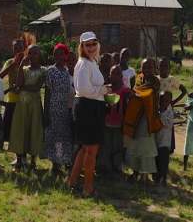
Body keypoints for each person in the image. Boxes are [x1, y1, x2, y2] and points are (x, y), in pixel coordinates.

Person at [67, 31, 108, 197]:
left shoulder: (92, 62)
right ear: (82, 47)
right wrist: (104, 90)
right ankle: (88, 188)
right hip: (87, 108)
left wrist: (102, 91)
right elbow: (84, 90)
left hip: (91, 107)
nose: (91, 47)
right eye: (87, 44)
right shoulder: (84, 63)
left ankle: (72, 182)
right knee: (91, 150)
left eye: (93, 43)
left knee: (85, 149)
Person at [8, 45, 47, 171]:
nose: (32, 56)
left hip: (34, 105)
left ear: (39, 55)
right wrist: (20, 66)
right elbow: (18, 83)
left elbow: (36, 87)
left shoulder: (43, 71)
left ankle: (33, 162)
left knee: (34, 130)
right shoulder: (23, 69)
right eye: (30, 53)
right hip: (22, 105)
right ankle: (19, 160)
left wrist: (22, 88)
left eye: (35, 53)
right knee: (20, 130)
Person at [123, 61, 161, 182]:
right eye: (145, 67)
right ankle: (135, 172)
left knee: (145, 145)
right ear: (141, 68)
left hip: (147, 118)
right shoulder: (138, 78)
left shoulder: (155, 82)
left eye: (150, 67)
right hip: (136, 117)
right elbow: (135, 91)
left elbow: (145, 93)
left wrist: (134, 93)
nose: (147, 69)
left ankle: (144, 176)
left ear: (154, 68)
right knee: (135, 144)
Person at [44, 43, 74, 175]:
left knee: (64, 137)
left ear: (65, 55)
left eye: (61, 53)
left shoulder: (69, 72)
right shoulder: (50, 71)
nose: (58, 56)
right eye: (56, 53)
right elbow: (47, 93)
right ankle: (55, 164)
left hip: (66, 109)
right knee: (55, 136)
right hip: (54, 109)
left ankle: (64, 161)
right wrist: (46, 112)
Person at [97, 65, 130, 175]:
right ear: (109, 75)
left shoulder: (125, 91)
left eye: (117, 73)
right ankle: (105, 167)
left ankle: (116, 168)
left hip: (119, 125)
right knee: (106, 146)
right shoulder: (106, 89)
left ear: (121, 76)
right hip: (106, 123)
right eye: (112, 73)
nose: (114, 76)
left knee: (117, 147)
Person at [0, 39, 26, 144]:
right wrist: (14, 64)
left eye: (20, 48)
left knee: (22, 127)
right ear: (13, 50)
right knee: (7, 127)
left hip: (24, 100)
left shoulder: (28, 61)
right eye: (16, 48)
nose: (18, 50)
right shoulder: (9, 62)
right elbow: (0, 76)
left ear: (24, 49)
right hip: (12, 99)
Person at [154, 91, 174, 186]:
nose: (163, 102)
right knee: (157, 160)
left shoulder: (169, 112)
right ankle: (157, 177)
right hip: (156, 140)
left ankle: (163, 178)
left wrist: (160, 115)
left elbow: (167, 124)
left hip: (165, 142)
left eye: (166, 100)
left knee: (164, 162)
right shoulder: (157, 110)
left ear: (170, 101)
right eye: (161, 100)